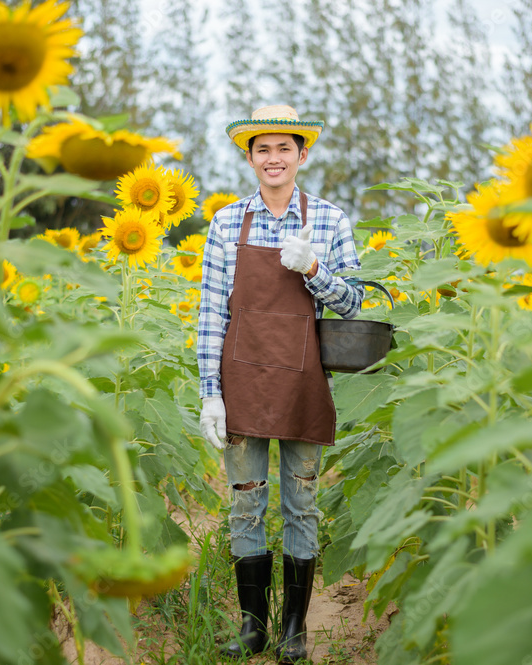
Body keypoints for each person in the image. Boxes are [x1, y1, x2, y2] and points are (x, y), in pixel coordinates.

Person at [196, 105, 363, 663]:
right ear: (250, 158)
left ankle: (294, 630)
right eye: (261, 149)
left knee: (302, 506)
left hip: (303, 383)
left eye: (283, 149)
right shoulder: (225, 222)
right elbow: (211, 312)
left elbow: (355, 304)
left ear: (302, 155)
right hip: (241, 381)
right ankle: (252, 628)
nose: (273, 159)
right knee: (245, 505)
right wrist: (209, 392)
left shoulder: (331, 221)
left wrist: (313, 269)